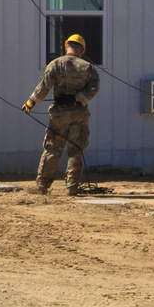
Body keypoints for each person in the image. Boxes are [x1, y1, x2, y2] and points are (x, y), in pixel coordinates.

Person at [21, 33, 100, 196]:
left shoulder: (55, 64)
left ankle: (42, 186)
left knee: (52, 149)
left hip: (59, 114)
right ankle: (71, 188)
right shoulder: (87, 67)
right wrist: (79, 98)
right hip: (79, 114)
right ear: (82, 50)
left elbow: (44, 86)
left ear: (66, 47)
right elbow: (94, 87)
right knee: (76, 150)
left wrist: (31, 102)